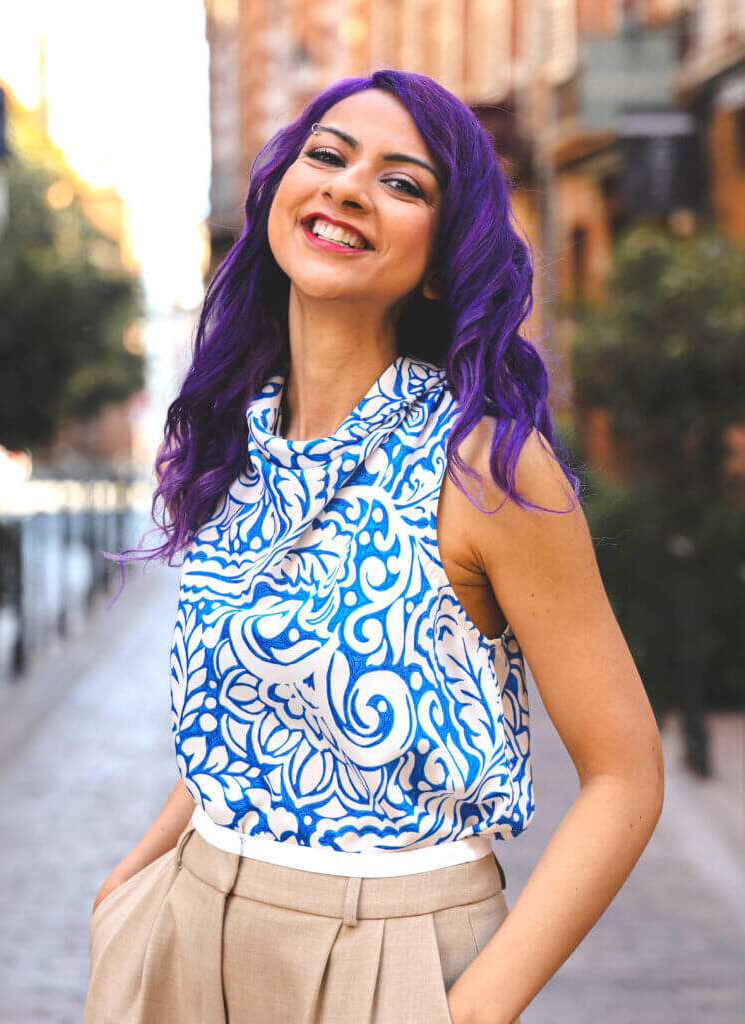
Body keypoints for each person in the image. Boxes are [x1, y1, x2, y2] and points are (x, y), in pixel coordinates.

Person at [84, 68, 665, 1024]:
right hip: (185, 929)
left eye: (402, 183)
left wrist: (473, 1010)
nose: (349, 187)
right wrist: (133, 882)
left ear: (440, 261)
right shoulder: (244, 442)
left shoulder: (486, 466)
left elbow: (626, 772)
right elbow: (250, 697)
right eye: (326, 156)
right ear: (278, 198)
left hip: (390, 950)